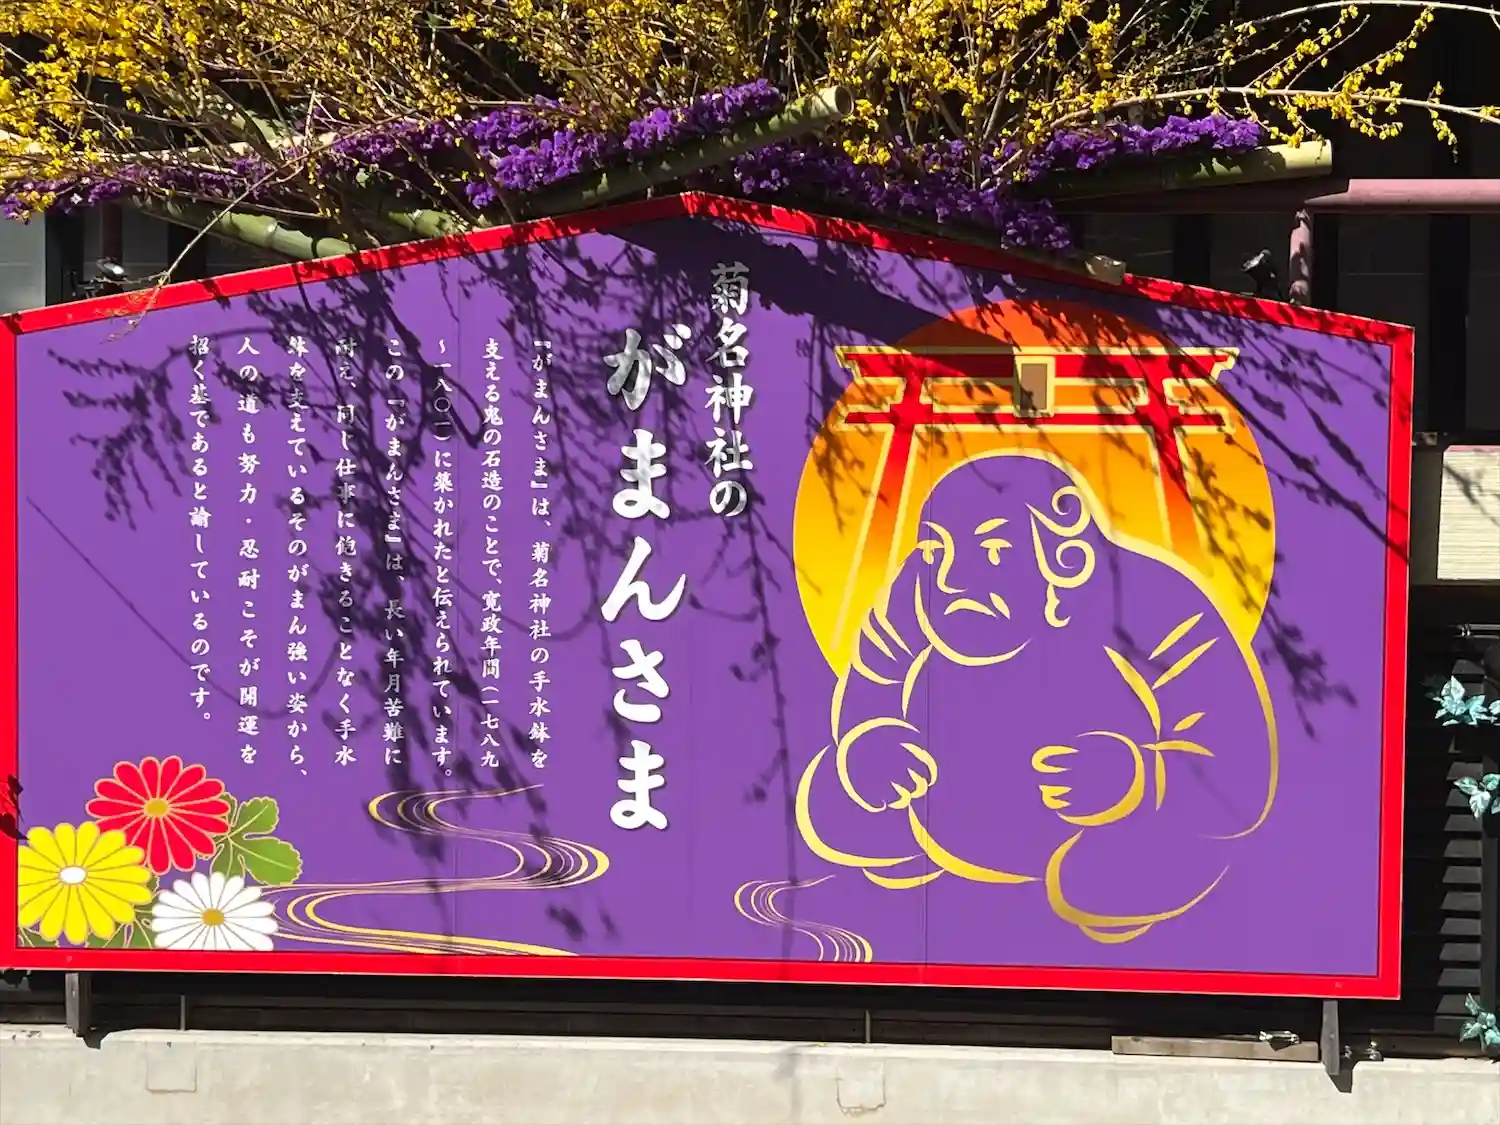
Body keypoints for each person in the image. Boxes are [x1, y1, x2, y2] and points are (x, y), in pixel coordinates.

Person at [794, 450, 1278, 945]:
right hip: (948, 804)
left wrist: (1135, 775)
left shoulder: (1148, 594)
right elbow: (874, 679)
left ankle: (1133, 878)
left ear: (1061, 552)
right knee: (832, 800)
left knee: (1114, 875)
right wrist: (871, 742)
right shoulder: (919, 586)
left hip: (1096, 821)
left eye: (993, 549)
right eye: (937, 550)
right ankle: (925, 848)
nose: (950, 579)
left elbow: (1236, 762)